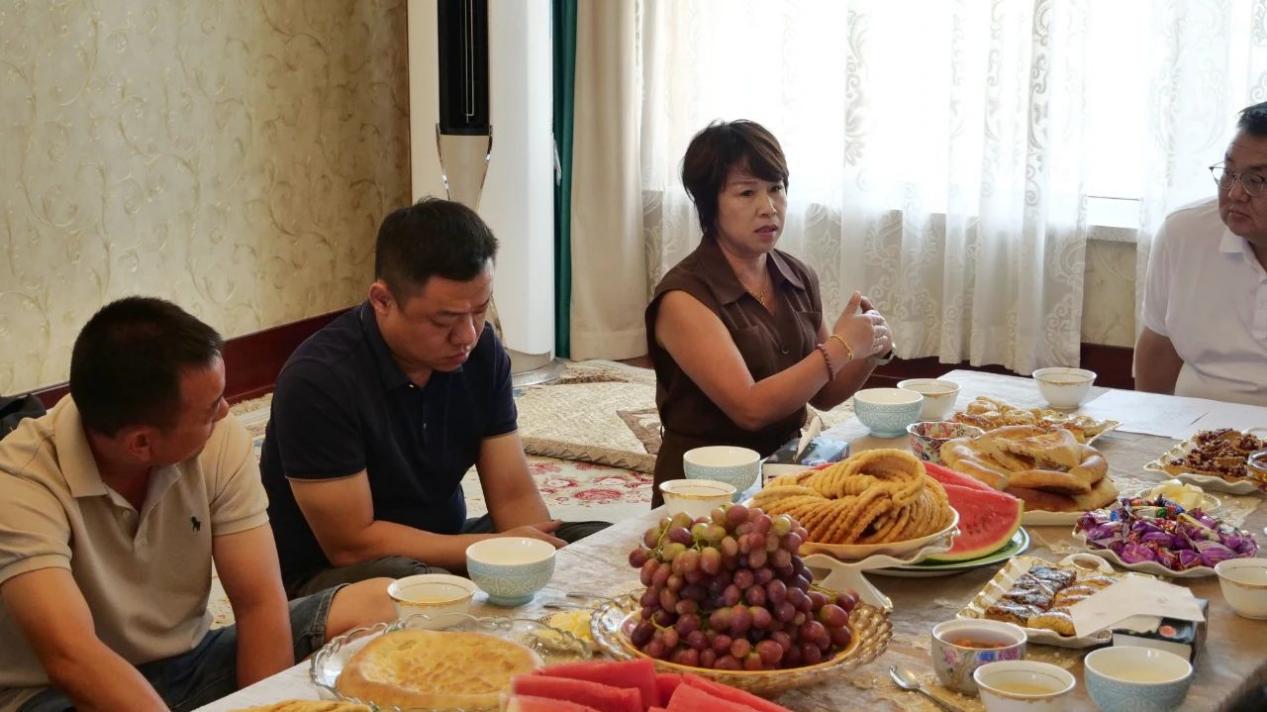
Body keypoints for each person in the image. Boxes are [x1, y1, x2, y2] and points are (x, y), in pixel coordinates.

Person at [0, 297, 394, 712]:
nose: (225, 412)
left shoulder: (217, 438)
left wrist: (263, 707)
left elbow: (259, 602)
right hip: (62, 695)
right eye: (209, 410)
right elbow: (71, 657)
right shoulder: (19, 481)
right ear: (141, 443)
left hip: (189, 663)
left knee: (381, 602)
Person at [261, 198, 608, 598]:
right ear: (382, 300)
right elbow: (351, 544)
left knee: (597, 543)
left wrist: (540, 560)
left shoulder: (482, 352)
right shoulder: (319, 380)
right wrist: (489, 550)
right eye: (444, 320)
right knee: (413, 585)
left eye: (480, 310)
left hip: (443, 544)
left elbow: (513, 497)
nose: (467, 336)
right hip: (337, 578)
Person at [645, 120, 894, 507]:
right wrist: (842, 346)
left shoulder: (797, 275)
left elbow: (825, 394)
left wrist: (871, 350)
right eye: (747, 193)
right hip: (707, 490)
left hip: (786, 472)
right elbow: (750, 408)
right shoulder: (683, 297)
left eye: (776, 188)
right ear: (710, 204)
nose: (768, 207)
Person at [1136, 102, 1267, 406]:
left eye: (1256, 180)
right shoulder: (1184, 232)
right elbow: (1158, 349)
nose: (1234, 193)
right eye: (1229, 173)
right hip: (1192, 426)